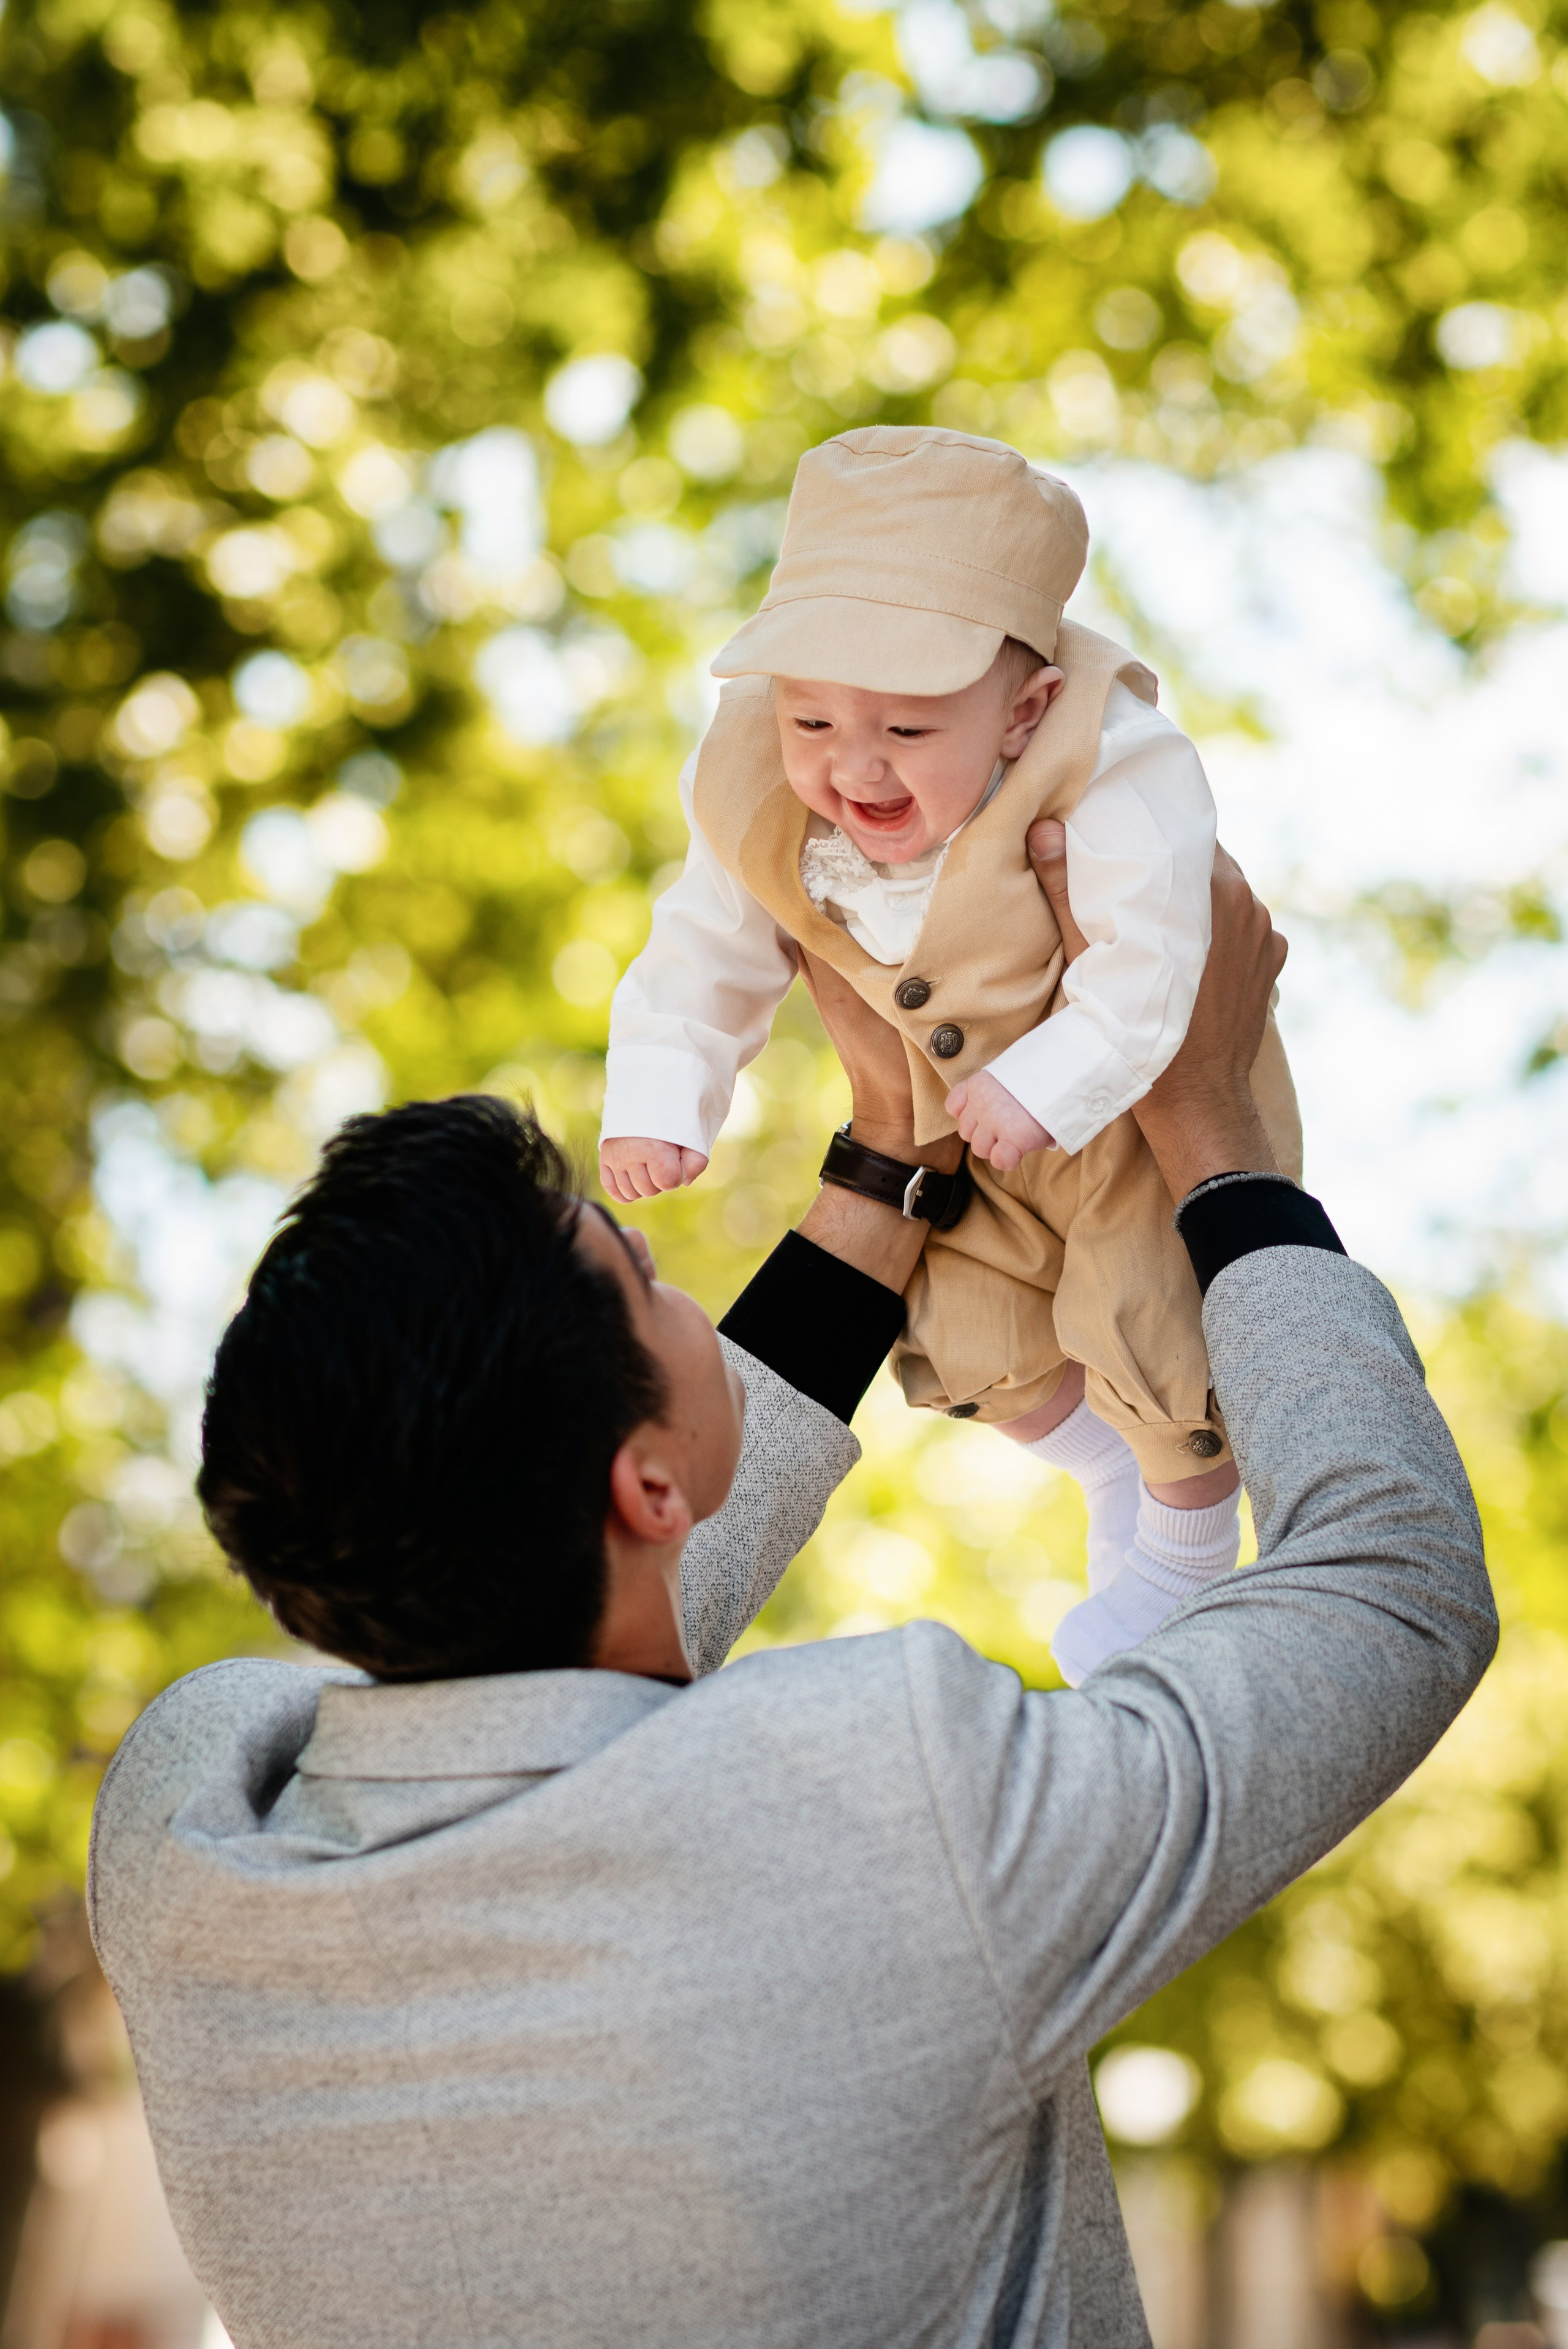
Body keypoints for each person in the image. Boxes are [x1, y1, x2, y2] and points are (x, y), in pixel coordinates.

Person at [88, 845, 1493, 2349]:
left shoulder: (189, 1832)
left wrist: (889, 1158)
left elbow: (527, 1679)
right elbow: (1391, 1588)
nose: (675, 1280)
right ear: (637, 1490)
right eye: (641, 1276)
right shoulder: (894, 1805)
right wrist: (1220, 1142)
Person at [597, 425, 1303, 1683]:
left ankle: (1188, 1538)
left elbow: (1154, 955)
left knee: (1150, 1315)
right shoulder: (760, 777)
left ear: (1022, 707)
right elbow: (701, 943)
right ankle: (1101, 1463)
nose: (848, 765)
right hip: (946, 1132)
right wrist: (665, 1092)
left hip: (1124, 1105)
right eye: (809, 713)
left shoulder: (1110, 755)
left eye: (907, 731)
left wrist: (1051, 1077)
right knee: (961, 1338)